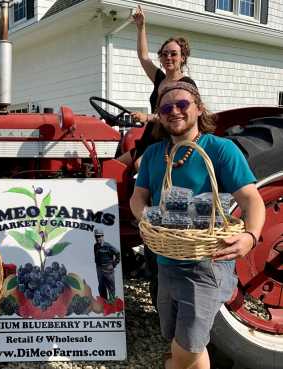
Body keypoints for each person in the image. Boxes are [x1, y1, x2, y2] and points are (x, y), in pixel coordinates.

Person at [130, 81, 265, 369]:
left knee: (187, 346)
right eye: (166, 107)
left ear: (199, 108)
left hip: (206, 263)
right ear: (159, 114)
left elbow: (252, 200)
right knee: (181, 339)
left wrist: (251, 236)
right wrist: (147, 219)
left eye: (182, 105)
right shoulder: (155, 154)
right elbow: (137, 197)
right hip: (165, 261)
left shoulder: (220, 149)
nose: (174, 111)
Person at [119, 4, 197, 171]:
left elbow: (177, 115)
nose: (168, 57)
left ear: (183, 58)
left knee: (140, 165)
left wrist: (148, 117)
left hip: (170, 138)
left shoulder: (186, 84)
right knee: (116, 164)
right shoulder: (159, 79)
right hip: (150, 138)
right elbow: (143, 56)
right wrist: (141, 26)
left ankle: (152, 197)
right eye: (164, 54)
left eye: (173, 54)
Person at [93, 228, 120, 301]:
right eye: (96, 236)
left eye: (99, 236)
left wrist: (114, 264)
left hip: (108, 268)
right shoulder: (95, 246)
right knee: (101, 286)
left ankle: (112, 302)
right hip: (99, 268)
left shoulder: (108, 246)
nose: (98, 238)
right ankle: (103, 302)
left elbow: (117, 253)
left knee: (110, 286)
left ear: (103, 236)